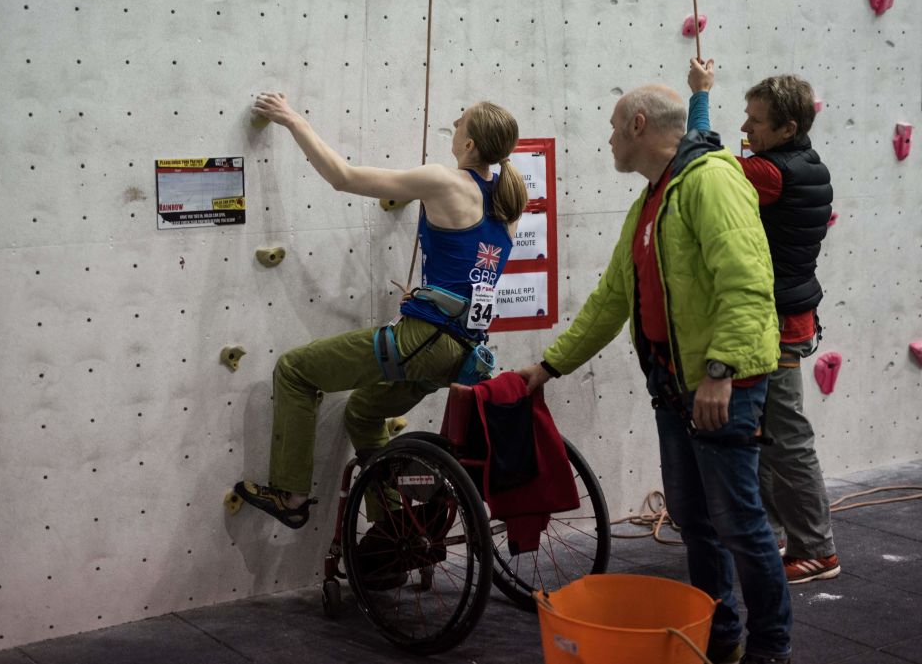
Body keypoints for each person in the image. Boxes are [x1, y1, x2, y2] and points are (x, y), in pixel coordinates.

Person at [516, 85, 792, 664]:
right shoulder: (651, 201)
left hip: (721, 385)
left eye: (616, 127)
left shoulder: (711, 181)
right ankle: (719, 640)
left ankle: (771, 651)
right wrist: (548, 367)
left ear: (639, 124)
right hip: (675, 389)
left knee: (739, 524)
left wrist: (720, 372)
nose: (610, 139)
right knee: (696, 522)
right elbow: (611, 299)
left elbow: (745, 283)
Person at [234, 92, 527, 528]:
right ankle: (394, 521)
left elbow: (344, 177)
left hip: (422, 342)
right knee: (364, 412)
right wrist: (428, 296)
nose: (454, 121)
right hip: (460, 353)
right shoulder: (508, 205)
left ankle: (291, 495)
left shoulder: (444, 181)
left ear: (469, 145)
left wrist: (293, 120)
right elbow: (467, 273)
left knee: (295, 371)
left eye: (460, 121)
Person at [688, 58, 839, 586]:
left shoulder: (770, 172)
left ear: (788, 129)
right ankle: (779, 535)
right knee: (771, 436)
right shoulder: (807, 162)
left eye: (755, 120)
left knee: (786, 439)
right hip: (790, 318)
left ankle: (816, 549)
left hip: (774, 326)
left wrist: (699, 95)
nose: (745, 128)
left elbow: (700, 160)